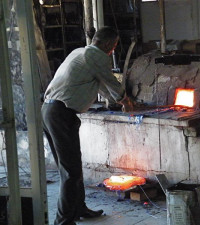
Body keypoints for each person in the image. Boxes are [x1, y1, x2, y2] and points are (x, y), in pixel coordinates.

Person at [41, 26, 134, 225]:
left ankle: (79, 208)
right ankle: (63, 221)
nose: (114, 49)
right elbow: (110, 82)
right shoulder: (97, 56)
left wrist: (117, 100)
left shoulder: (80, 52)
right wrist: (125, 100)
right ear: (110, 44)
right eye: (115, 45)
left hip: (51, 111)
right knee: (70, 171)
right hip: (61, 113)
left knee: (71, 167)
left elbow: (101, 85)